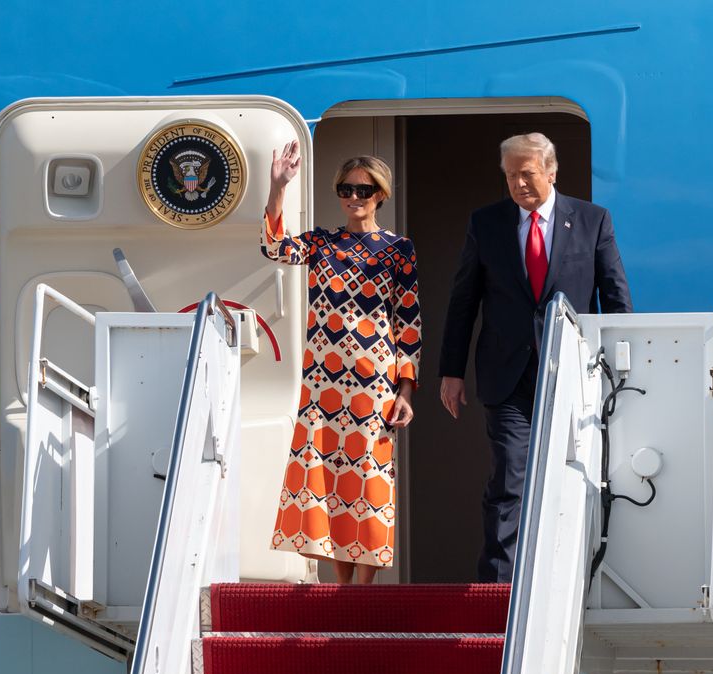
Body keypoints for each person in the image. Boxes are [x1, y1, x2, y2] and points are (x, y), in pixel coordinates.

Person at [438, 132, 632, 582]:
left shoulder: (591, 220)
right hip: (507, 376)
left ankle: (563, 576)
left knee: (572, 476)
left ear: (551, 171)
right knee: (510, 476)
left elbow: (615, 297)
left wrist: (621, 368)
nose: (519, 184)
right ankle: (498, 587)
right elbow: (463, 300)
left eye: (527, 174)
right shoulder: (486, 223)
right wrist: (451, 371)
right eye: (511, 176)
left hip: (573, 376)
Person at [262, 142, 421, 584]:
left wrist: (406, 389)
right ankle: (340, 585)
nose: (354, 197)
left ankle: (362, 592)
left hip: (374, 380)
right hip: (322, 379)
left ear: (381, 195)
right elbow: (274, 247)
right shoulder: (321, 243)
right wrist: (278, 187)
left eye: (364, 191)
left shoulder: (398, 250)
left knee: (368, 474)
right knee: (325, 472)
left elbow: (408, 322)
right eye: (345, 189)